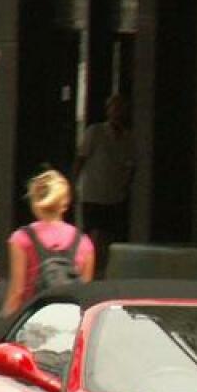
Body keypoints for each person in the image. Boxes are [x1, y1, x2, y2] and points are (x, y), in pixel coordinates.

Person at [4, 167, 94, 315]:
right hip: (68, 322)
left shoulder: (21, 238)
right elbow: (86, 293)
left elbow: (17, 292)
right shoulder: (84, 242)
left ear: (34, 201)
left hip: (33, 319)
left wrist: (4, 323)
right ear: (65, 203)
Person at [73, 93, 134, 275]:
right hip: (93, 192)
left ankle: (104, 269)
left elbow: (131, 165)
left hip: (114, 195)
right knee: (93, 233)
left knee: (109, 235)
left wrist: (125, 186)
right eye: (113, 108)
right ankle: (88, 268)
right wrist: (74, 184)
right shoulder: (95, 132)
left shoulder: (128, 138)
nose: (117, 112)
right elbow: (80, 159)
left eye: (120, 108)